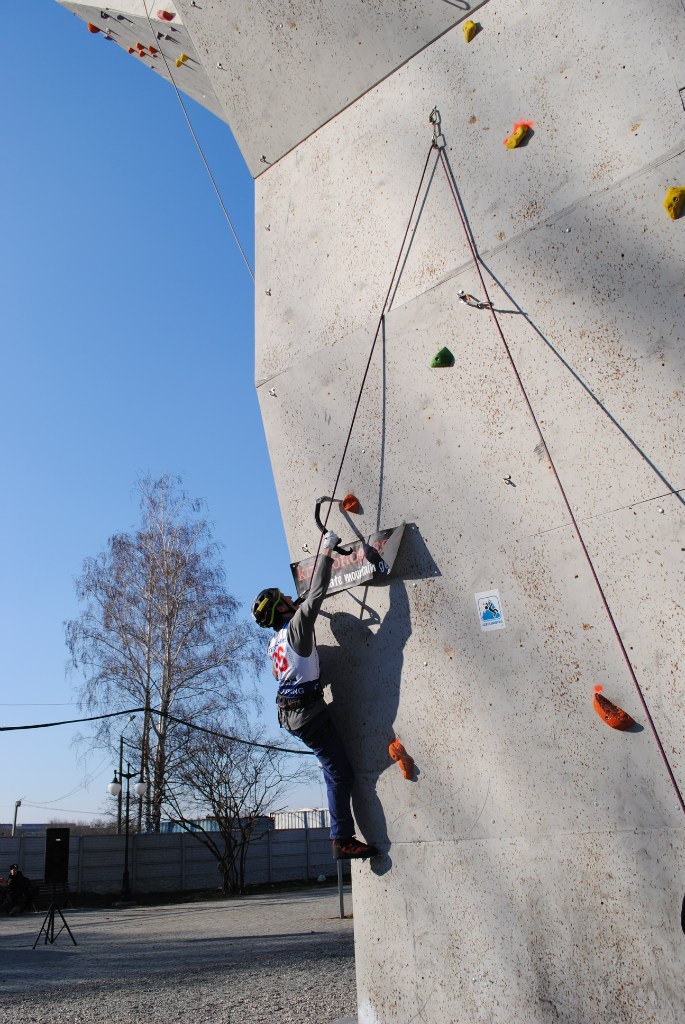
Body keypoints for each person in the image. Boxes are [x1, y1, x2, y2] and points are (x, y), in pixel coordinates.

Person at [252, 530, 377, 860]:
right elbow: (316, 593)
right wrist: (326, 551)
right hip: (308, 715)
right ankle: (342, 839)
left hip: (294, 713)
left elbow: (303, 666)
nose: (294, 601)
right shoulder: (295, 628)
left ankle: (341, 834)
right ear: (282, 609)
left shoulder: (275, 642)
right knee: (341, 774)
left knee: (331, 771)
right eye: (287, 600)